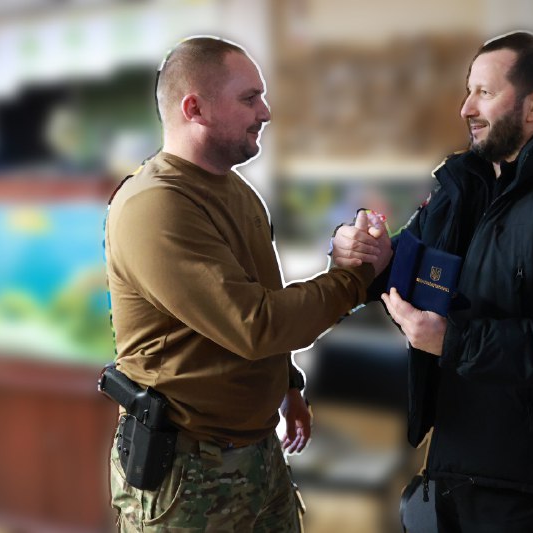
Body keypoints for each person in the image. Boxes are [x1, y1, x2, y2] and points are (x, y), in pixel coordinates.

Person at [332, 31, 533, 532]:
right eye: (468, 90)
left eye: (485, 93)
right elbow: (408, 270)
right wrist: (364, 255)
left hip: (520, 479)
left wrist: (454, 341)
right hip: (447, 455)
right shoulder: (462, 187)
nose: (466, 108)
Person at [104, 36, 390, 532]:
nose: (266, 112)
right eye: (249, 98)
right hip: (186, 470)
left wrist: (288, 386)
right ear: (195, 108)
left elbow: (259, 298)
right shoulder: (155, 206)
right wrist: (355, 277)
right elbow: (255, 324)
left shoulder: (237, 190)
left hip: (257, 454)